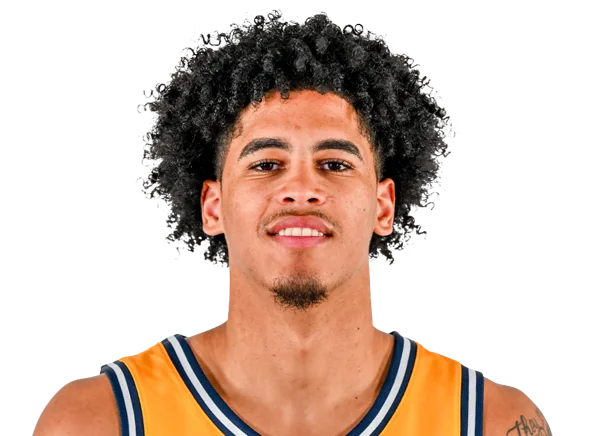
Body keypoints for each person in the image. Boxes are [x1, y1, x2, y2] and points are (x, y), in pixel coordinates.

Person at [34, 9, 551, 436]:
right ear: (212, 207)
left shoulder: (490, 422)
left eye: (335, 164)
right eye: (266, 164)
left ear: (383, 206)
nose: (301, 188)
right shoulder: (97, 422)